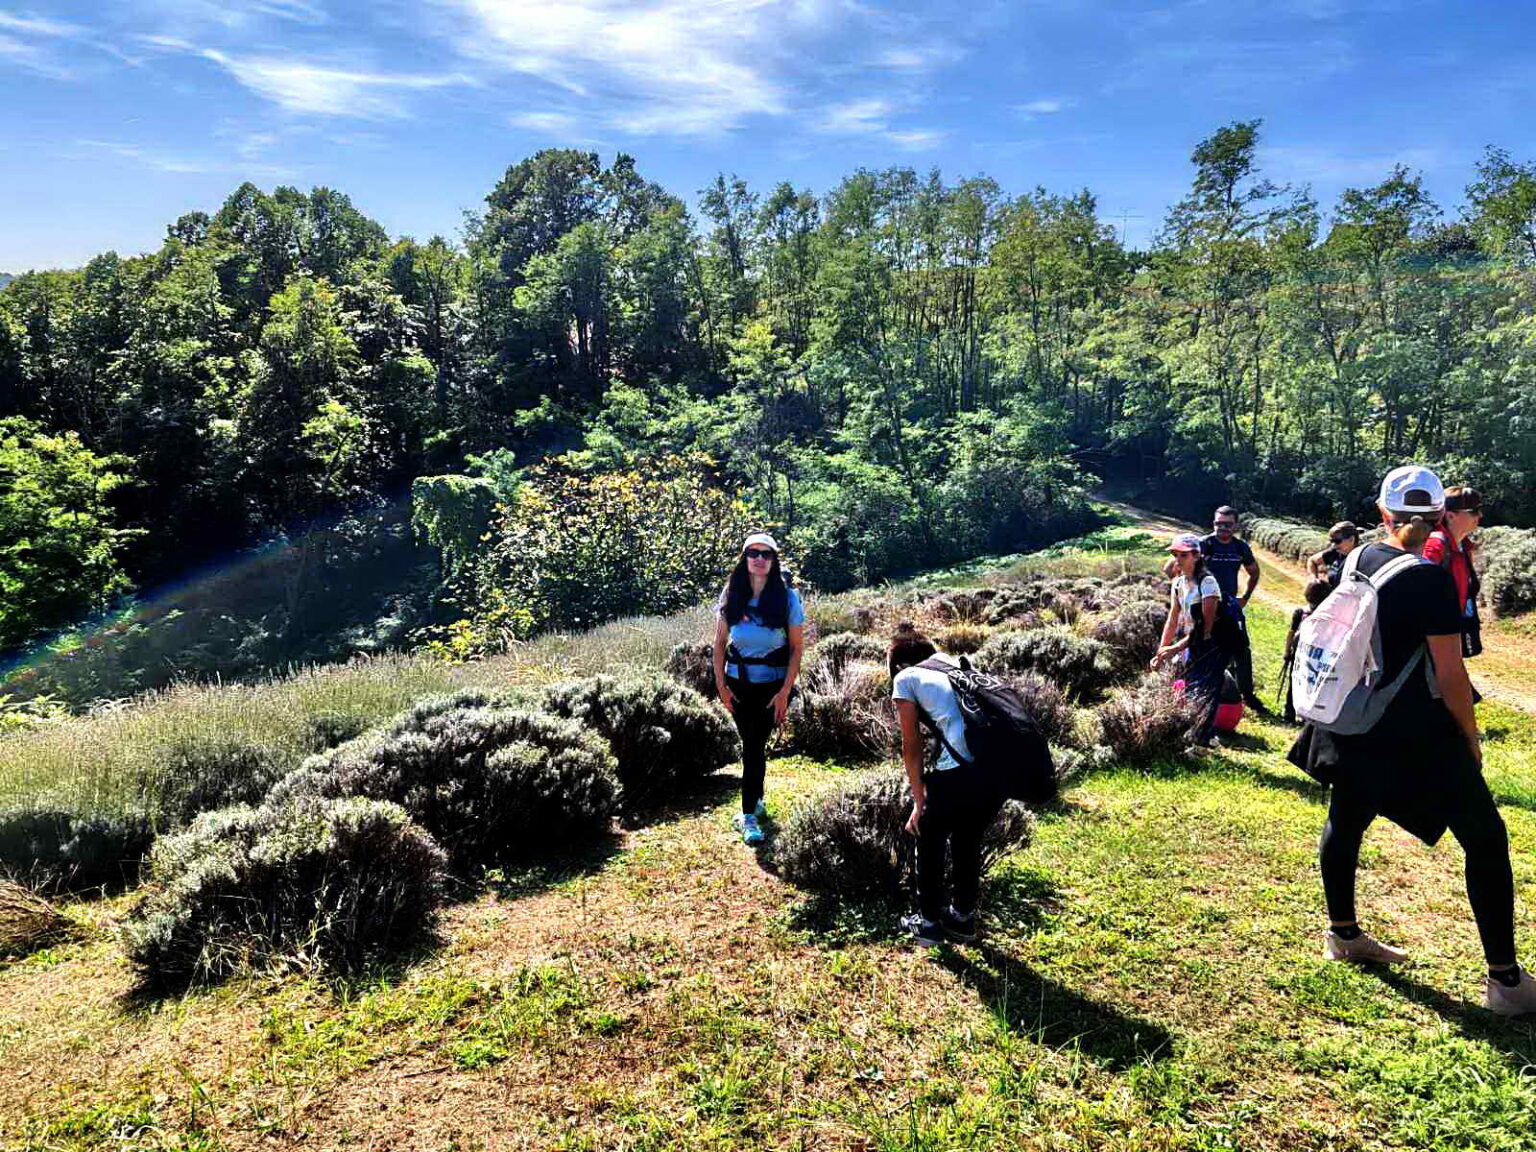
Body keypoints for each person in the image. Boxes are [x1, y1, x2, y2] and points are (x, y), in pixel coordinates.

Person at [1288, 465, 1536, 1016]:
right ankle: (1505, 981)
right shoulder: (1427, 579)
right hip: (1415, 732)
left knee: (1346, 819)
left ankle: (1343, 934)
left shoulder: (1361, 557)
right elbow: (1450, 675)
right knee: (1487, 840)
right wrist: (1469, 737)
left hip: (1355, 719)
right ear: (1439, 516)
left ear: (1383, 514)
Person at [890, 622, 1006, 947]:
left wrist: (919, 799)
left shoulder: (906, 677)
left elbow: (910, 744)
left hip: (956, 770)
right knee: (967, 840)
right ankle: (962, 919)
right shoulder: (959, 665)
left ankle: (928, 924)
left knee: (929, 836)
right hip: (997, 770)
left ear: (899, 662)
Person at [712, 532, 804, 846]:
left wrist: (785, 692)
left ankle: (748, 815)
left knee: (753, 744)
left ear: (774, 560)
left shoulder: (787, 598)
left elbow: (796, 649)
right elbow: (719, 643)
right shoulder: (732, 593)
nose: (760, 559)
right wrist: (721, 687)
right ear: (745, 558)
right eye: (754, 553)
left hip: (773, 686)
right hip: (738, 684)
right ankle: (758, 801)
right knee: (753, 744)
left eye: (766, 554)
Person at [1151, 533, 1232, 751]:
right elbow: (1173, 618)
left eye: (1184, 555)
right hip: (1193, 644)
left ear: (1196, 555)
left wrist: (1175, 648)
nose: (1178, 559)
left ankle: (1201, 745)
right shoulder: (1178, 584)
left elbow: (1206, 626)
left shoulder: (1208, 583)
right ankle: (1207, 736)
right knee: (1192, 688)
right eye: (1175, 554)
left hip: (1213, 644)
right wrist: (1161, 650)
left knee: (1204, 691)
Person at [1200, 507, 1267, 713]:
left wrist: (1245, 598)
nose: (1222, 528)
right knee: (1206, 649)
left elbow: (1254, 572)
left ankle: (1246, 694)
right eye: (1218, 524)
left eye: (1227, 524)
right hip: (1205, 605)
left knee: (1241, 651)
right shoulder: (1205, 544)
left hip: (1229, 607)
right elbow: (1176, 567)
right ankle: (1206, 694)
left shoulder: (1240, 548)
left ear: (1235, 525)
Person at [1422, 487, 1483, 660]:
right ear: (1450, 515)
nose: (1480, 516)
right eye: (1474, 511)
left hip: (1451, 631)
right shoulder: (1435, 547)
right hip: (1434, 639)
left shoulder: (1463, 546)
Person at [1279, 580, 1332, 722]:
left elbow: (1291, 633)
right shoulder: (1328, 615)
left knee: (1294, 681)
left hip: (1298, 653)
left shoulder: (1300, 612)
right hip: (1317, 656)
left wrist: (1287, 651)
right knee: (1311, 684)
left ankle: (1289, 712)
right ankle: (1303, 714)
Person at [1308, 522, 1361, 589]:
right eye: (1331, 541)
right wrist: (1313, 579)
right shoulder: (1334, 552)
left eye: (1337, 541)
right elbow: (1312, 560)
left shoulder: (1362, 558)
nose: (1333, 545)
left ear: (1351, 539)